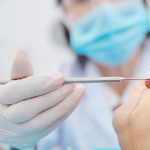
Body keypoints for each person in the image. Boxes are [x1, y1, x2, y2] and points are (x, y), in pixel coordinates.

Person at [0, 0, 150, 150]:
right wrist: (15, 142)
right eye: (80, 0)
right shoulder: (54, 83)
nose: (104, 8)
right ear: (65, 21)